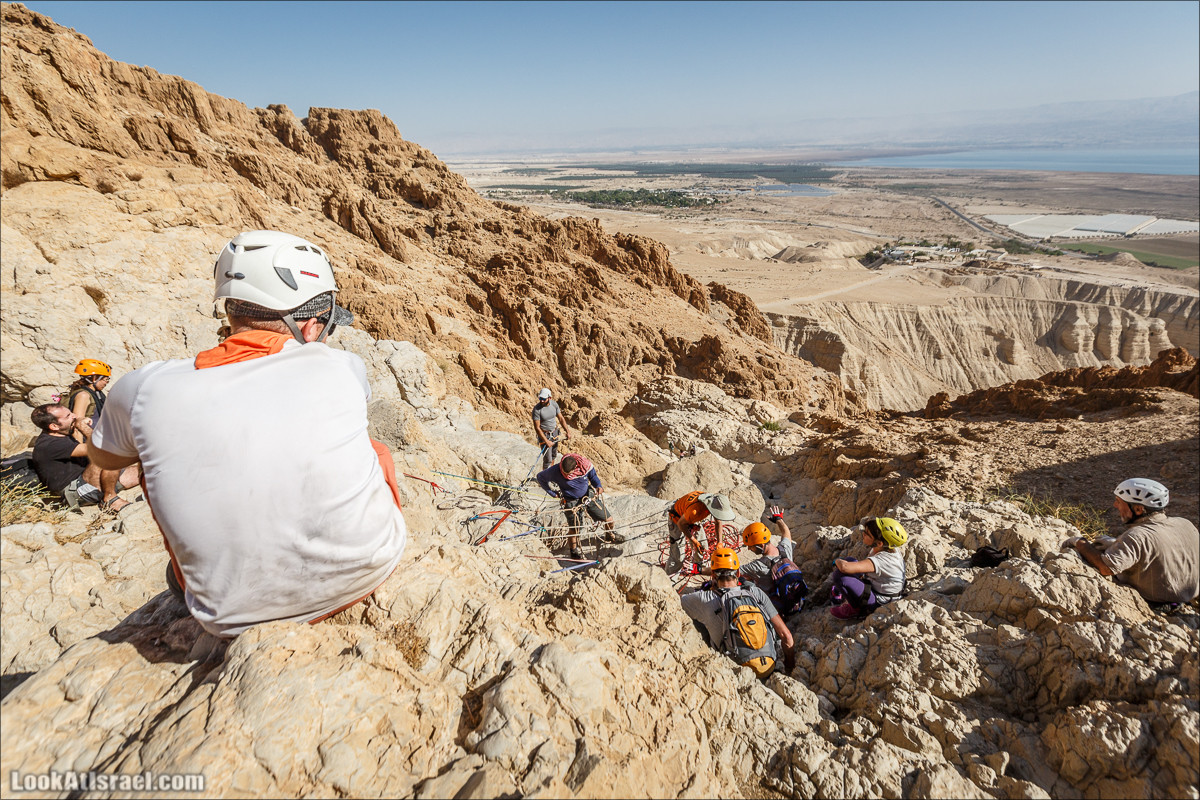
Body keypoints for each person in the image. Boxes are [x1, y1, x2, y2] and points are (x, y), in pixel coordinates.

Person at [88, 230, 408, 638]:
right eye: (328, 325)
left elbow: (107, 461)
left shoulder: (141, 387)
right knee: (373, 450)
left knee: (153, 464)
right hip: (368, 571)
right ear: (310, 327)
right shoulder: (342, 366)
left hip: (226, 616)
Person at [1069, 478, 1199, 606]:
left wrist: (1080, 542)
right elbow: (1164, 546)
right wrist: (1116, 543)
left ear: (1138, 509)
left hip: (1156, 604)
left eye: (1119, 502)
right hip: (1187, 597)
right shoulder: (1185, 523)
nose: (1115, 505)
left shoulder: (1137, 536)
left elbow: (1107, 568)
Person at [680, 547, 795, 678]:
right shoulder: (756, 592)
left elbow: (674, 600)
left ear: (713, 575)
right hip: (769, 665)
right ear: (738, 573)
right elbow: (787, 636)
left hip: (737, 670)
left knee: (697, 621)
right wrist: (789, 667)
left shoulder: (703, 598)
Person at [29, 403, 138, 513]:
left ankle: (109, 489)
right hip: (76, 491)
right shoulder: (49, 445)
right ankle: (110, 499)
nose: (74, 416)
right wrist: (82, 426)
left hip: (88, 479)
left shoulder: (62, 433)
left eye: (70, 413)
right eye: (68, 416)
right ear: (54, 426)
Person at [536, 453, 615, 561]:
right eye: (564, 473)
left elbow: (593, 477)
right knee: (575, 529)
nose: (566, 475)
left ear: (576, 467)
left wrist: (598, 486)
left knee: (609, 520)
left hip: (588, 497)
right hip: (571, 501)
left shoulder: (585, 466)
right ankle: (573, 551)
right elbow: (540, 477)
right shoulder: (555, 470)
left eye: (569, 473)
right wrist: (553, 493)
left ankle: (609, 534)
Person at [829, 517, 908, 619]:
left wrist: (837, 561)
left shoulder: (882, 560)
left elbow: (844, 567)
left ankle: (855, 609)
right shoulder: (886, 547)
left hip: (880, 601)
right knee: (850, 560)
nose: (863, 534)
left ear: (879, 543)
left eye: (867, 534)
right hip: (880, 588)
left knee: (840, 576)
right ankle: (848, 594)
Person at [666, 491, 736, 575]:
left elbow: (718, 522)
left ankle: (698, 568)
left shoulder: (712, 502)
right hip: (677, 519)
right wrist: (694, 541)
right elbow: (681, 524)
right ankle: (670, 577)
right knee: (678, 555)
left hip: (690, 517)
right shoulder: (695, 511)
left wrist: (720, 542)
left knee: (702, 546)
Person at [739, 505, 796, 590]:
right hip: (796, 601)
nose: (748, 549)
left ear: (761, 546)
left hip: (773, 603)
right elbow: (786, 532)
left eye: (751, 547)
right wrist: (778, 519)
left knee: (746, 584)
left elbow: (732, 571)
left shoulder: (758, 566)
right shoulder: (785, 549)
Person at [66, 359, 112, 430]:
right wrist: (82, 441)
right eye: (105, 379)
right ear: (94, 378)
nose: (106, 383)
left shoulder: (97, 393)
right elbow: (78, 424)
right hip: (87, 438)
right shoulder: (83, 396)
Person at [531, 388, 571, 470]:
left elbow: (561, 418)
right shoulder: (537, 410)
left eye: (543, 399)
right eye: (540, 398)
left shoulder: (554, 404)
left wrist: (568, 431)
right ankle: (544, 478)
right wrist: (546, 441)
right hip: (545, 436)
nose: (541, 401)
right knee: (547, 460)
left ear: (550, 398)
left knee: (553, 456)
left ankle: (550, 472)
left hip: (554, 433)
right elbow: (537, 428)